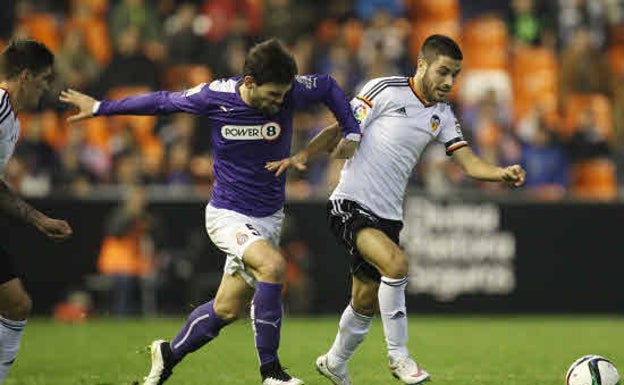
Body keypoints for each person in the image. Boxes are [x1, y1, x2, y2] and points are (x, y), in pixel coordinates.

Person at [60, 38, 361, 385]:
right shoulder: (216, 96)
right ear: (249, 82)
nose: (281, 103)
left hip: (268, 217)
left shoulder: (290, 91)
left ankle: (168, 355)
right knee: (274, 266)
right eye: (274, 95)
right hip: (227, 214)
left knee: (227, 309)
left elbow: (328, 87)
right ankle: (272, 373)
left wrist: (351, 130)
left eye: (284, 96)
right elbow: (161, 102)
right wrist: (101, 108)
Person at [270, 34, 526, 385]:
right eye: (443, 72)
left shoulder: (442, 116)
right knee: (397, 263)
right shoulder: (385, 89)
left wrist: (500, 173)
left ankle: (334, 362)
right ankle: (399, 357)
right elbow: (340, 127)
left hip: (388, 217)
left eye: (455, 75)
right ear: (422, 64)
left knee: (364, 300)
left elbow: (467, 163)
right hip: (350, 203)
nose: (449, 82)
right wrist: (304, 155)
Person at [0, 40, 73, 384]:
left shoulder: (12, 121)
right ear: (26, 76)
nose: (46, 89)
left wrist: (38, 219)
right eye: (44, 80)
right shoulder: (0, 105)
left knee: (16, 304)